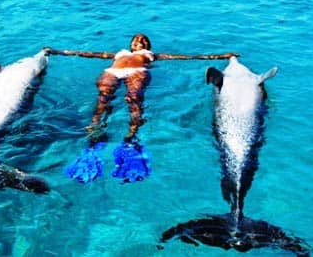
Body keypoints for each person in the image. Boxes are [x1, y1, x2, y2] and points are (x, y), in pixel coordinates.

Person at [45, 34, 236, 183]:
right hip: (113, 71)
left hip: (138, 71)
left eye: (144, 40)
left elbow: (186, 57)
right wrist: (57, 51)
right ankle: (95, 132)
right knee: (103, 99)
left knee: (134, 99)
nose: (140, 41)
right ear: (131, 44)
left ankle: (131, 136)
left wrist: (220, 56)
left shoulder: (151, 56)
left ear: (147, 46)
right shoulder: (119, 54)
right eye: (137, 40)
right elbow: (89, 54)